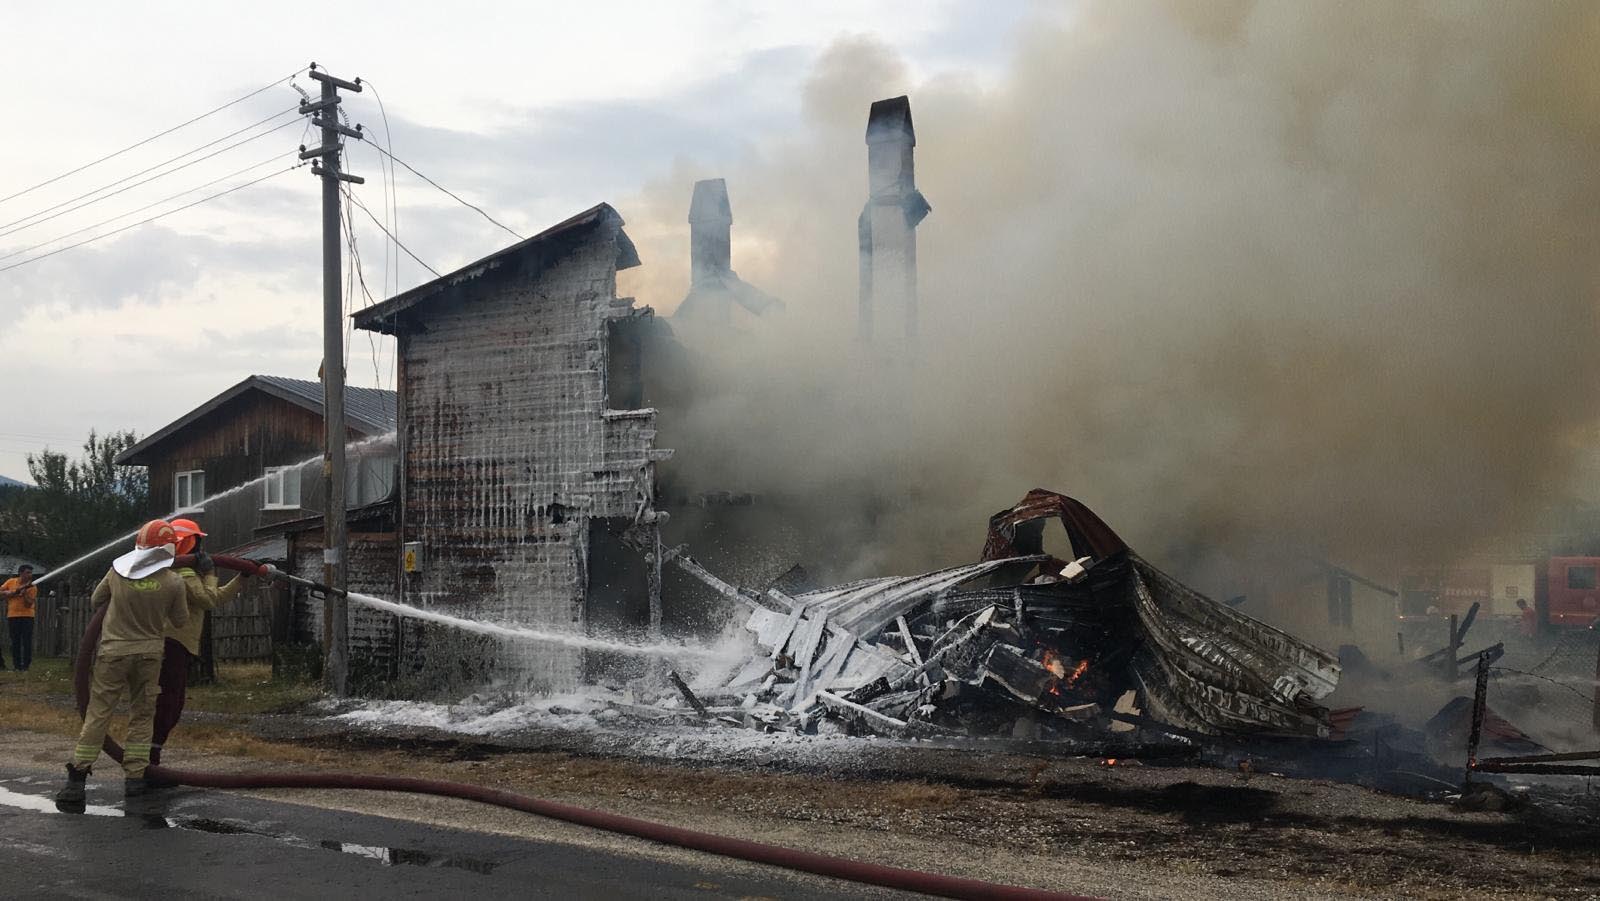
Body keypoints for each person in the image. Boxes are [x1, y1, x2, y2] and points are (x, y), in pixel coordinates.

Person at [55, 520, 188, 813]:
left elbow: (96, 600)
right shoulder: (174, 581)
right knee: (142, 714)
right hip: (150, 656)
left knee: (99, 713)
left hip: (113, 652)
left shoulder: (118, 571)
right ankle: (135, 778)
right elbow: (180, 621)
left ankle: (77, 780)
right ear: (169, 549)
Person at [151, 518, 252, 765]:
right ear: (190, 543)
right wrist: (209, 573)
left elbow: (212, 598)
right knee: (169, 701)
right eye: (198, 541)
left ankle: (149, 756)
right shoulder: (183, 573)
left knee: (172, 700)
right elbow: (206, 599)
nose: (201, 548)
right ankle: (149, 759)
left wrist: (241, 579)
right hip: (172, 643)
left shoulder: (175, 570)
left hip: (174, 644)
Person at [2, 564, 38, 672]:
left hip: (27, 616)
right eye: (27, 572)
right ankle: (16, 665)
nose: (29, 575)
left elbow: (29, 604)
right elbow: (1, 593)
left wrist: (24, 594)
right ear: (21, 573)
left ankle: (26, 666)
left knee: (27, 641)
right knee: (15, 641)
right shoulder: (11, 582)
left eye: (30, 573)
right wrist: (10, 593)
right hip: (13, 616)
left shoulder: (32, 587)